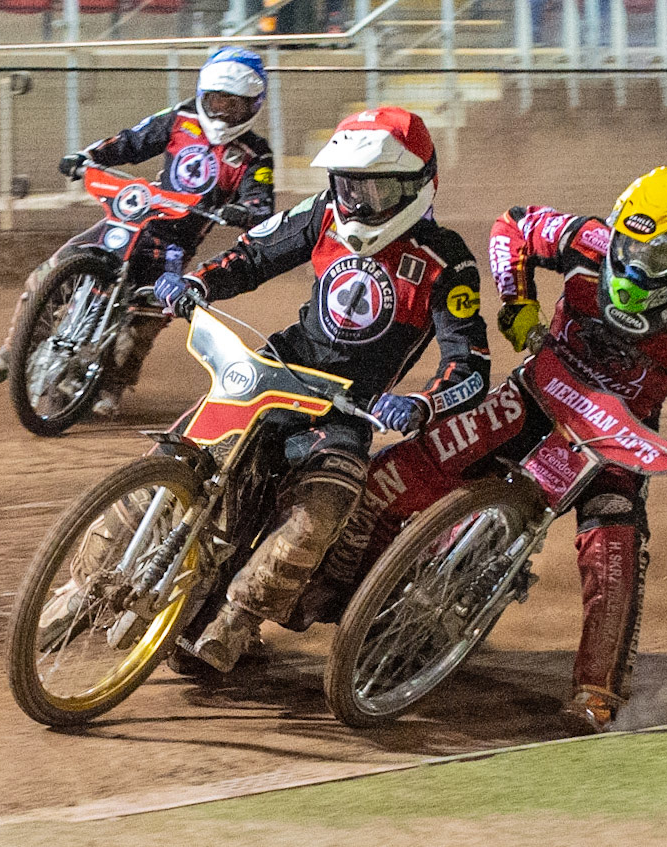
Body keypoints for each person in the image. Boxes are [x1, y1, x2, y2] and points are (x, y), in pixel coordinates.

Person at [320, 167, 667, 733]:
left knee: (615, 553)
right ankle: (337, 582)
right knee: (399, 470)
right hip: (534, 395)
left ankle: (595, 695)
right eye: (629, 246)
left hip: (617, 444)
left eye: (658, 261)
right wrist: (517, 300)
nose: (634, 268)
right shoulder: (588, 241)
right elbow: (514, 227)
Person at [155, 106, 491, 673]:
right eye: (347, 184)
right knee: (172, 456)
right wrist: (198, 281)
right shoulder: (324, 214)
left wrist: (420, 403)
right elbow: (255, 254)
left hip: (349, 408)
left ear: (415, 186)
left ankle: (239, 620)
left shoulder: (447, 260)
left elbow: (472, 364)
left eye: (372, 188)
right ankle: (83, 587)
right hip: (273, 372)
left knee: (324, 506)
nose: (356, 200)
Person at [0, 47, 276, 419]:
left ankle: (115, 383)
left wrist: (244, 211)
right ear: (202, 95)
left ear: (253, 105)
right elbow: (132, 140)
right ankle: (13, 348)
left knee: (147, 318)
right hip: (130, 219)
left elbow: (261, 202)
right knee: (53, 270)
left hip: (173, 243)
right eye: (216, 101)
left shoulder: (255, 154)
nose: (222, 112)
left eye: (234, 105)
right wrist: (88, 158)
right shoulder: (181, 118)